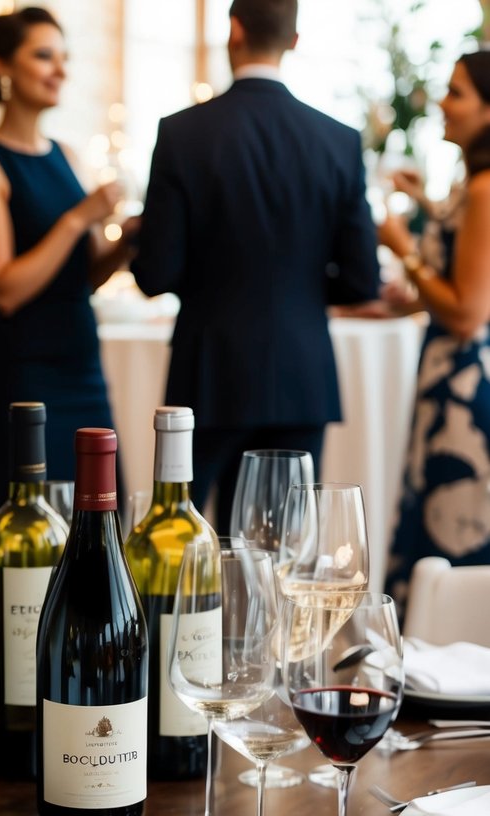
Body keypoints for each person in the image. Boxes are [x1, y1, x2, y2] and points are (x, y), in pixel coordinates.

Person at [131, 0, 380, 533]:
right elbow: (363, 280)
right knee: (285, 550)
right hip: (301, 371)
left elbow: (155, 275)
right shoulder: (338, 140)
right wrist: (300, 289)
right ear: (294, 41)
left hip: (209, 368)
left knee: (187, 546)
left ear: (234, 31)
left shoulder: (182, 133)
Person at [0, 6, 136, 508]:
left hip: (83, 367)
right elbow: (7, 289)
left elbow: (86, 275)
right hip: (25, 376)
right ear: (1, 67)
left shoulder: (67, 156)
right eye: (43, 56)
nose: (60, 70)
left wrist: (126, 240)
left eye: (64, 58)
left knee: (102, 525)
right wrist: (79, 218)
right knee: (35, 537)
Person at [378, 50, 490, 617]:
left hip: (466, 390)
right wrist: (425, 204)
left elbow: (468, 312)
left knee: (454, 526)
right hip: (448, 375)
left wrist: (402, 247)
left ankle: (451, 669)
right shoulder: (472, 186)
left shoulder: (487, 189)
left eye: (457, 92)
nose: (443, 103)